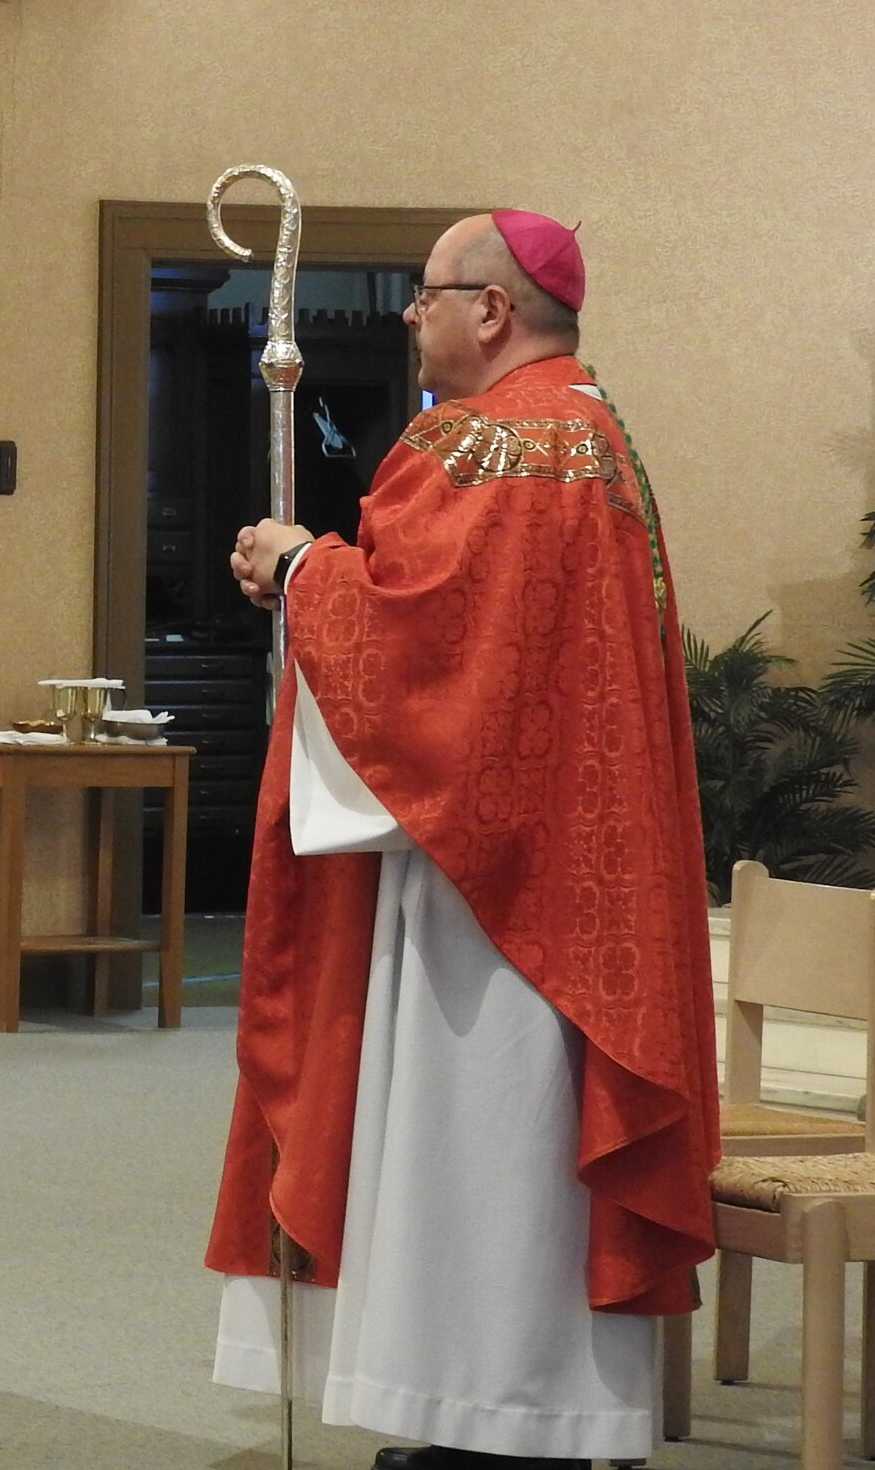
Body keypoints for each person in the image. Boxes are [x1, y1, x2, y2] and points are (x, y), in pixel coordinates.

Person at [208, 211, 716, 1468]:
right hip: (569, 874)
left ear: (491, 308)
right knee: (523, 1148)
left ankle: (483, 1418)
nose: (407, 312)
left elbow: (426, 649)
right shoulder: (596, 439)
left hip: (485, 889)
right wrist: (317, 573)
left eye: (425, 292)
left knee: (471, 1139)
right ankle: (535, 1411)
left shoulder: (489, 441)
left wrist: (300, 567)